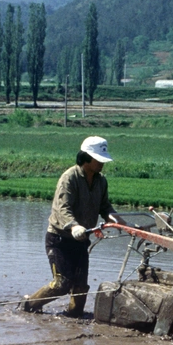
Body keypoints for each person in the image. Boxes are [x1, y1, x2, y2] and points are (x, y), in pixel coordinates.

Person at [20, 136, 120, 317]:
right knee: (62, 284)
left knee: (80, 286)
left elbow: (104, 206)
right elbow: (62, 208)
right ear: (86, 158)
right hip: (59, 239)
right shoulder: (69, 178)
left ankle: (73, 319)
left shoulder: (101, 181)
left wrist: (115, 218)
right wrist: (74, 226)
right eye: (98, 160)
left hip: (81, 240)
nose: (101, 164)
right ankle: (28, 306)